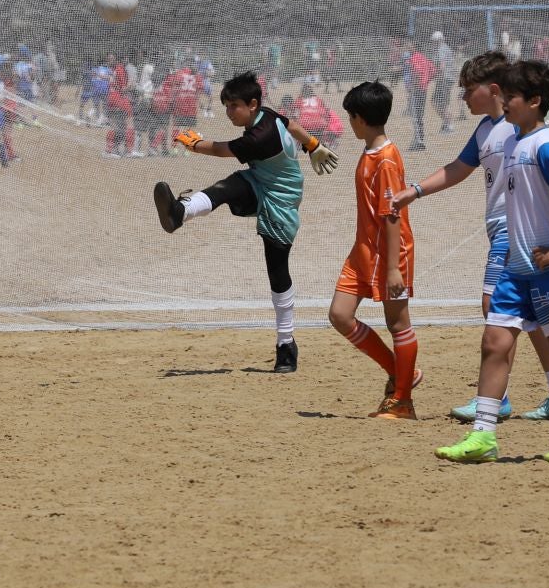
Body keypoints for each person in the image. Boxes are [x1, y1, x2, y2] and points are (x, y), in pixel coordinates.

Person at [393, 52, 549, 421]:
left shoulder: (520, 128)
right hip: (499, 230)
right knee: (533, 318)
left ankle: (496, 399)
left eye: (467, 90)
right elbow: (457, 169)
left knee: (493, 304)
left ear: (492, 89)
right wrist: (414, 191)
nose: (462, 97)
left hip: (516, 231)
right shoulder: (484, 131)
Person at [437, 60, 549, 464]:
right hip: (517, 267)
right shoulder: (511, 140)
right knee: (494, 342)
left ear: (534, 101)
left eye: (511, 97)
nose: (504, 102)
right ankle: (483, 436)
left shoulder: (544, 144)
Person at [153, 70, 339, 374]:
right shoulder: (265, 115)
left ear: (252, 104)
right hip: (258, 182)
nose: (228, 112)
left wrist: (195, 143)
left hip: (281, 199)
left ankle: (286, 344)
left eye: (233, 106)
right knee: (227, 187)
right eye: (226, 106)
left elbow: (222, 149)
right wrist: (313, 144)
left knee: (277, 272)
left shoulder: (259, 136)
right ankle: (179, 213)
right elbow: (290, 123)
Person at [321, 82, 421, 419]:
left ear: (359, 119)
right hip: (363, 251)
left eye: (350, 116)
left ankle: (402, 401)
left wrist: (393, 268)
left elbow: (391, 217)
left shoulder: (387, 161)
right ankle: (401, 372)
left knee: (398, 324)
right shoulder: (370, 153)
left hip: (390, 254)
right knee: (340, 314)